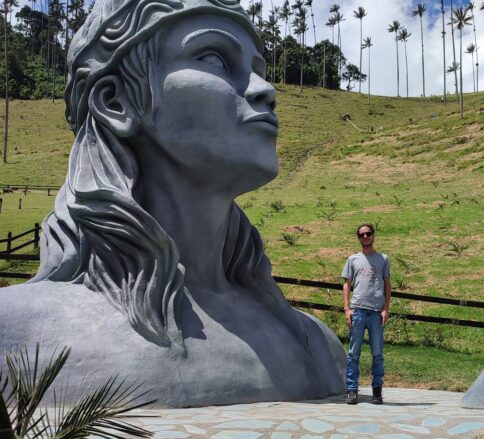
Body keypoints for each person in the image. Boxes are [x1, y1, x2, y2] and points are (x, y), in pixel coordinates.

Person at [0, 0, 345, 406]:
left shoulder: (317, 343)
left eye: (258, 70)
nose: (264, 89)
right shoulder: (16, 333)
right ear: (115, 102)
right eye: (214, 57)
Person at [342, 223, 391, 405]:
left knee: (377, 353)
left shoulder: (383, 259)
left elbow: (387, 284)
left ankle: (377, 390)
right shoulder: (353, 259)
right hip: (358, 311)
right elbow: (346, 284)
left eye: (368, 234)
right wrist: (347, 309)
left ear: (373, 236)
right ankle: (352, 390)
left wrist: (385, 308)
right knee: (354, 353)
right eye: (361, 235)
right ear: (358, 238)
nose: (365, 237)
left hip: (376, 312)